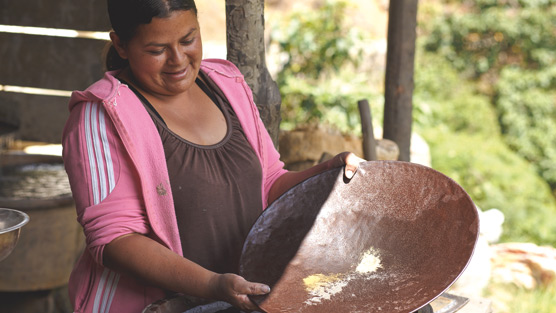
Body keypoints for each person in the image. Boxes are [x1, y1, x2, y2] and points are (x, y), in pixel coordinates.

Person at [62, 0, 364, 312]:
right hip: (157, 305)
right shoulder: (100, 116)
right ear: (121, 45)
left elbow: (269, 183)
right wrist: (211, 284)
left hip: (243, 300)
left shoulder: (225, 84)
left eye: (188, 40)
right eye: (156, 50)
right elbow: (114, 240)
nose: (177, 60)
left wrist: (328, 172)